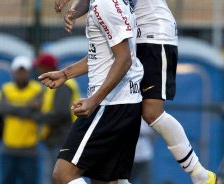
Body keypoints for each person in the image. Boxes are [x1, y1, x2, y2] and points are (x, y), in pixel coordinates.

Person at [56, 0, 217, 183]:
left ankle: (199, 174)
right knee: (107, 172)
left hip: (154, 32)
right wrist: (75, 10)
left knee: (152, 112)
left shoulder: (107, 7)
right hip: (132, 33)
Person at [38, 0, 144, 183]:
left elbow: (124, 59)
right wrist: (65, 74)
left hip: (109, 105)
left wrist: (94, 100)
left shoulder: (105, 4)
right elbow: (101, 55)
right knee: (104, 180)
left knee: (64, 173)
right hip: (123, 102)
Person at [33, 53, 81, 184]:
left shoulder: (64, 84)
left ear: (46, 67)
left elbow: (61, 113)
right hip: (55, 138)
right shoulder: (53, 83)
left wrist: (38, 116)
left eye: (40, 67)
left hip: (62, 138)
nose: (38, 70)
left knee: (56, 178)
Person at [0, 56, 43, 184]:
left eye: (24, 71)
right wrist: (29, 106)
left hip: (29, 148)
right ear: (13, 72)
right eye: (18, 71)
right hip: (8, 147)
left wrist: (13, 107)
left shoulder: (37, 89)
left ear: (29, 72)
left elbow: (39, 113)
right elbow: (2, 109)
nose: (21, 74)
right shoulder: (6, 88)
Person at [131, 119, 156, 184]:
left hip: (145, 153)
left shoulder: (148, 112)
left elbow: (155, 132)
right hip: (129, 155)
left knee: (146, 180)